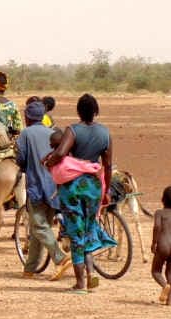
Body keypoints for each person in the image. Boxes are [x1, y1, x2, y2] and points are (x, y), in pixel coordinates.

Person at [44, 94, 116, 293]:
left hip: (73, 186)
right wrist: (106, 190)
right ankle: (91, 274)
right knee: (89, 228)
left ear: (78, 111)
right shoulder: (105, 133)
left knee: (76, 232)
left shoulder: (73, 130)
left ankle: (80, 283)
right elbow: (108, 165)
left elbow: (60, 153)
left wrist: (48, 163)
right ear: (96, 111)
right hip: (94, 186)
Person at [16, 101, 71, 279]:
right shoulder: (52, 133)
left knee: (39, 227)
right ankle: (29, 269)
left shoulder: (25, 134)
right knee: (39, 228)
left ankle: (60, 258)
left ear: (27, 118)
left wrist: (25, 167)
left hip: (37, 187)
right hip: (54, 186)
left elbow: (21, 159)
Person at [151, 186, 171, 305]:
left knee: (156, 271)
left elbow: (157, 227)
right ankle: (170, 299)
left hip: (163, 245)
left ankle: (165, 286)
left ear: (162, 199)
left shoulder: (159, 213)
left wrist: (154, 242)